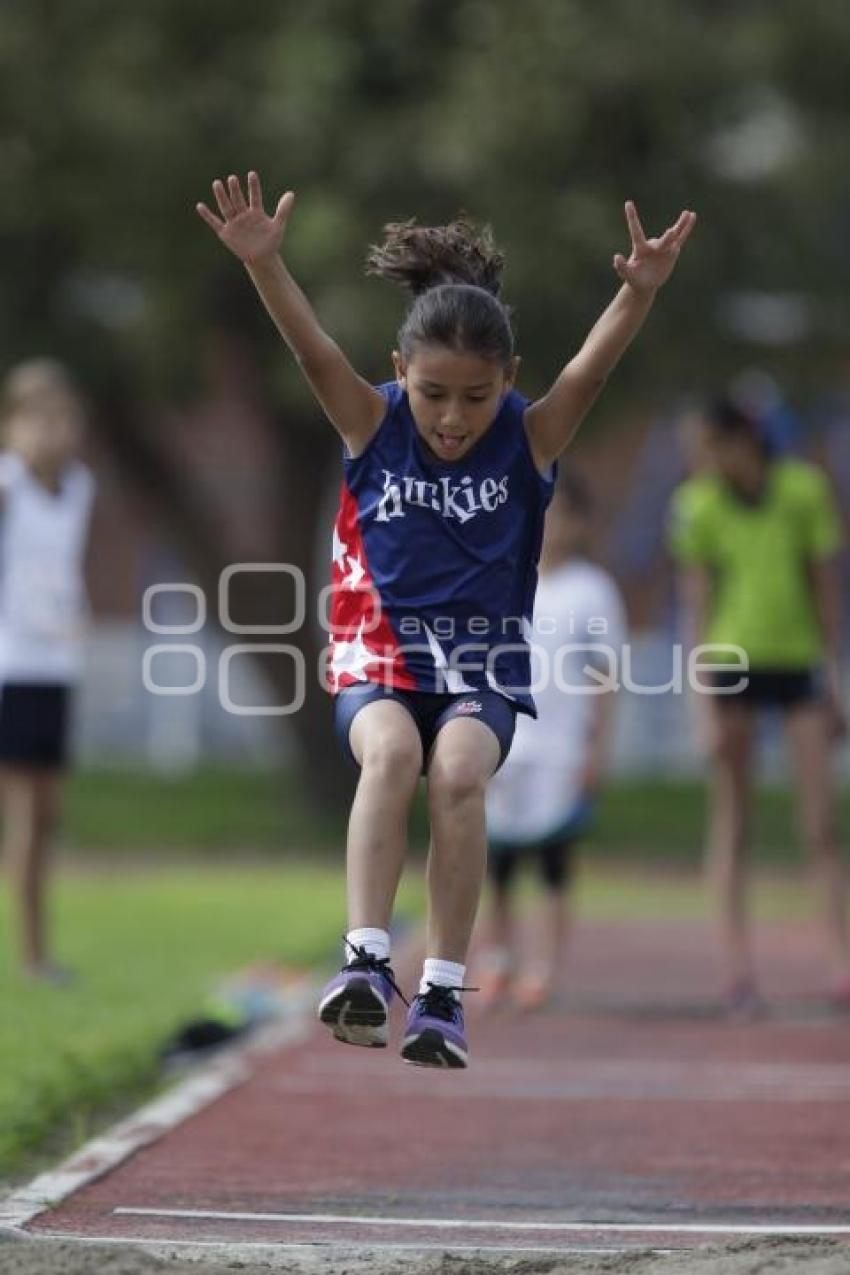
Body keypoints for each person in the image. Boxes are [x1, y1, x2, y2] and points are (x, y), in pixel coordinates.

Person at [198, 171, 695, 1067]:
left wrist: (637, 292)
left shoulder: (529, 438)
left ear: (507, 379)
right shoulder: (369, 423)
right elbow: (313, 354)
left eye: (475, 395)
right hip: (381, 662)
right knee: (392, 755)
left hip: (481, 674)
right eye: (433, 394)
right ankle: (364, 962)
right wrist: (265, 267)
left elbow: (591, 367)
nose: (453, 418)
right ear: (399, 373)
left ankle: (442, 991)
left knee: (459, 774)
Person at [669, 397, 849, 1016]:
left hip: (796, 664)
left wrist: (834, 681)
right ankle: (738, 973)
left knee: (821, 824)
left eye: (707, 446)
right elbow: (695, 606)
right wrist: (700, 706)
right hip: (730, 667)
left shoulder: (802, 490)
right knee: (734, 821)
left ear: (739, 441)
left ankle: (840, 966)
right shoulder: (698, 505)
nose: (699, 460)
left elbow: (826, 590)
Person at [479, 471, 626, 1011]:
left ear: (582, 524)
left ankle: (545, 966)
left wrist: (598, 749)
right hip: (502, 744)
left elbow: (606, 677)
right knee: (494, 863)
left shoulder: (595, 591)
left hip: (561, 750)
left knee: (552, 865)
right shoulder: (503, 578)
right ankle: (496, 958)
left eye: (562, 514)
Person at [0, 360, 95, 981]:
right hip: (12, 670)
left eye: (63, 420)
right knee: (25, 818)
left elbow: (63, 570)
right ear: (12, 427)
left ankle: (39, 950)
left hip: (58, 668)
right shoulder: (7, 490)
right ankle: (34, 955)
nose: (52, 433)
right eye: (39, 420)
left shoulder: (81, 487)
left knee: (48, 815)